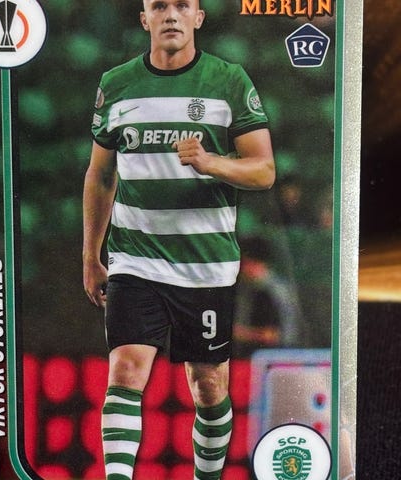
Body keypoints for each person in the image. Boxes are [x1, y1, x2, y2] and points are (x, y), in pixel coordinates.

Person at [83, 1, 275, 478]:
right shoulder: (117, 84)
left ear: (198, 18)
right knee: (126, 369)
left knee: (208, 385)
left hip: (205, 264)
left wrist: (212, 162)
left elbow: (264, 170)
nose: (171, 14)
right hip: (135, 258)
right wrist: (91, 255)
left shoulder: (229, 81)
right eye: (159, 6)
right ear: (144, 18)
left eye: (182, 5)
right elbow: (101, 175)